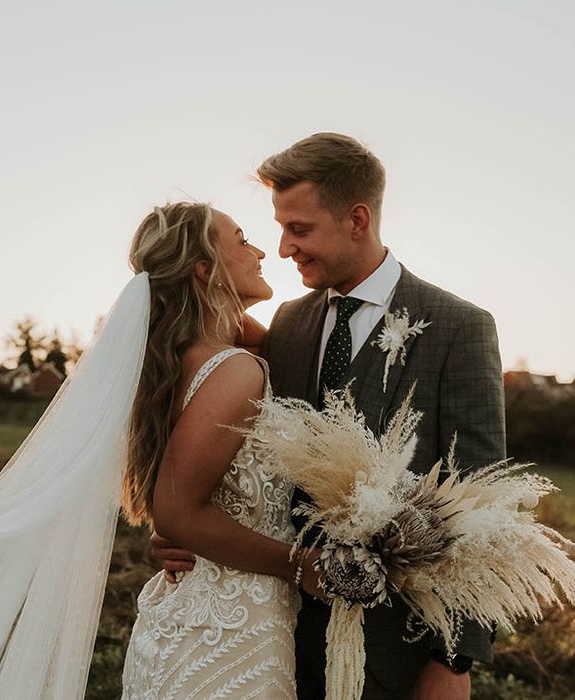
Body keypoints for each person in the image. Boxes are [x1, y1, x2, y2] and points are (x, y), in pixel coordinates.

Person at [154, 134, 506, 700]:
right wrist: (176, 529)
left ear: (357, 220)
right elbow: (216, 437)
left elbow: (484, 502)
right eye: (279, 227)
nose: (284, 246)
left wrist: (455, 661)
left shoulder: (458, 328)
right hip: (274, 639)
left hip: (399, 649)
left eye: (300, 228)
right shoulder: (285, 325)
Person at [120, 202, 328, 698]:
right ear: (205, 270)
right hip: (229, 632)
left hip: (196, 618)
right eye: (241, 240)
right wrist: (302, 566)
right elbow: (175, 511)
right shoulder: (234, 370)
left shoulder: (181, 359)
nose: (260, 251)